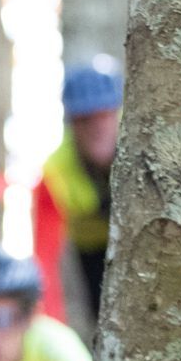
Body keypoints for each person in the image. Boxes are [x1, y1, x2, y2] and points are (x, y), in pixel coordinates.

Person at [33, 57, 120, 325]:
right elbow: (44, 259)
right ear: (72, 123)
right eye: (85, 118)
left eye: (103, 115)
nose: (97, 127)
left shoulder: (146, 145)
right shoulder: (55, 173)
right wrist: (50, 325)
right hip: (93, 255)